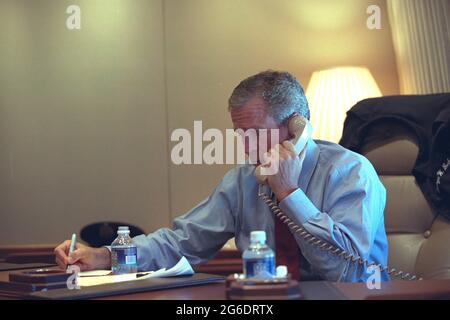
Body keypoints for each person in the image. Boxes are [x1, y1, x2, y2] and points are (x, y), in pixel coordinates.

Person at [54, 70, 389, 282]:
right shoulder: (245, 181)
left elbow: (348, 272)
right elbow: (182, 243)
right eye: (240, 135)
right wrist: (106, 255)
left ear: (295, 128)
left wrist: (289, 194)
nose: (246, 148)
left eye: (255, 133)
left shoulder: (351, 172)